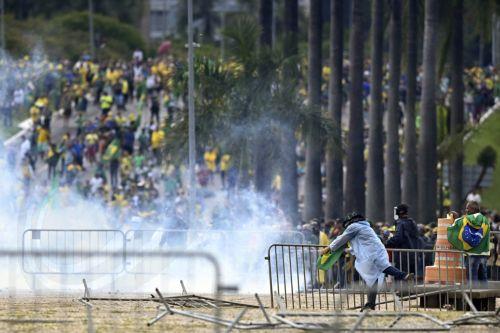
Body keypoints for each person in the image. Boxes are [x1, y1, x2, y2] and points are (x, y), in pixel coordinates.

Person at [320, 212, 413, 311]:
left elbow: (342, 238)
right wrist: (346, 250)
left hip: (370, 254)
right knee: (376, 276)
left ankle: (402, 276)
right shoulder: (366, 227)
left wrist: (329, 248)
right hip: (378, 251)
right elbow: (358, 245)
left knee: (375, 275)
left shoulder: (354, 226)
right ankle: (371, 303)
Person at [448, 201, 490, 287]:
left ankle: (473, 297)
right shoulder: (486, 220)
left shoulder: (467, 219)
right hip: (484, 253)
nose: (466, 210)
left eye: (467, 208)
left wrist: (454, 217)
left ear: (473, 209)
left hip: (472, 253)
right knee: (483, 278)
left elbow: (456, 224)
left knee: (472, 278)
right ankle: (485, 299)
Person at [386, 204, 421, 275]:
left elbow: (398, 238)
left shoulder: (401, 223)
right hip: (414, 255)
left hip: (403, 256)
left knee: (401, 278)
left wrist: (387, 243)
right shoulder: (412, 223)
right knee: (411, 278)